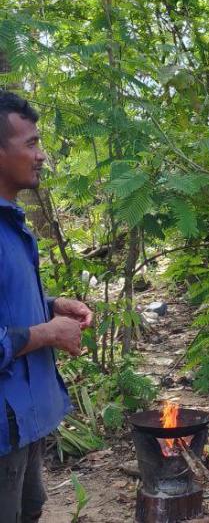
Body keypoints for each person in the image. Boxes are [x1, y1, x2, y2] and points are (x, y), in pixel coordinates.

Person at [0, 91, 93, 523]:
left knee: (30, 509)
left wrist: (52, 304)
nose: (41, 155)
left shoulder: (12, 222)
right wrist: (48, 332)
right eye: (31, 144)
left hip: (25, 421)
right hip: (2, 428)